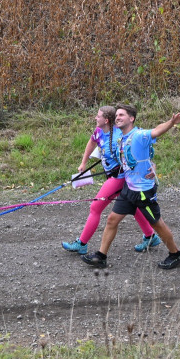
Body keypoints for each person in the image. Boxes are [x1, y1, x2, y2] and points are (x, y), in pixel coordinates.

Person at [81, 104, 180, 270]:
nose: (118, 117)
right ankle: (101, 256)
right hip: (129, 189)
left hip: (143, 191)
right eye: (117, 115)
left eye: (122, 115)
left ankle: (176, 255)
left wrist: (171, 122)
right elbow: (141, 156)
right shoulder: (121, 139)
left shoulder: (138, 134)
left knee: (157, 224)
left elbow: (156, 131)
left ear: (132, 118)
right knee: (111, 220)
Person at [61, 106, 161, 256]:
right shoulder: (99, 131)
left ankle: (82, 244)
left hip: (119, 178)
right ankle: (150, 236)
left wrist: (151, 165)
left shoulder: (120, 136)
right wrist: (83, 163)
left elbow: (144, 144)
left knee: (95, 207)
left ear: (106, 120)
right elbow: (91, 143)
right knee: (134, 207)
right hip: (115, 177)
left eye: (98, 116)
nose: (95, 118)